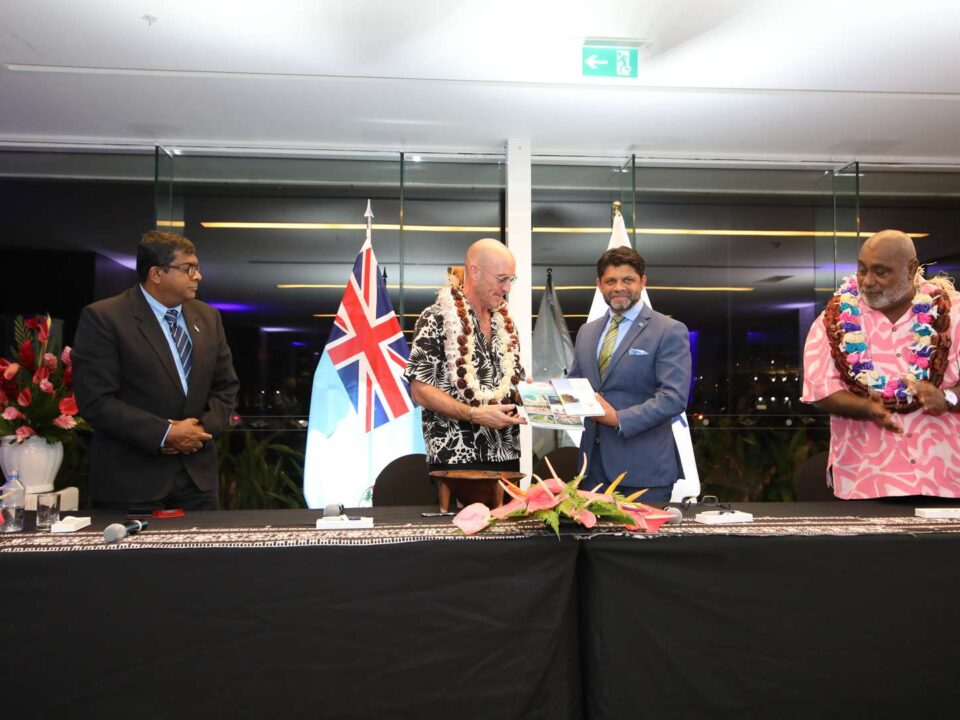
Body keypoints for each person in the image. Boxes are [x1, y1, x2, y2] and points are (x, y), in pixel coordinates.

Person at [73, 231, 239, 510]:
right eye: (188, 268)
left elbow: (226, 387)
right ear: (156, 273)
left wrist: (197, 430)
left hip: (197, 481)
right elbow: (96, 401)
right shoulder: (105, 318)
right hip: (131, 482)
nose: (198, 276)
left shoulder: (208, 317)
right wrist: (165, 433)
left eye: (197, 268)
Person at [802, 229, 960, 499]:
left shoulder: (953, 314)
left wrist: (947, 398)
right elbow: (820, 390)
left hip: (947, 479)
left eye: (881, 271)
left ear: (911, 269)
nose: (867, 281)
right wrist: (866, 408)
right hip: (865, 480)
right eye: (862, 270)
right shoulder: (834, 319)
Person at [569, 246, 691, 502]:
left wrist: (617, 419)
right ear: (599, 285)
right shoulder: (586, 332)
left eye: (628, 280)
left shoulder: (669, 330)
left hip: (645, 471)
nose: (619, 287)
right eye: (610, 281)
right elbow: (576, 386)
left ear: (642, 282)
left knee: (640, 533)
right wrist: (543, 395)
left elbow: (673, 398)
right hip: (592, 471)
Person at [405, 238, 526, 476]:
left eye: (511, 279)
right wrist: (473, 414)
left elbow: (511, 385)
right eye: (501, 278)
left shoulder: (505, 323)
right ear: (475, 271)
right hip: (455, 456)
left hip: (506, 454)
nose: (507, 288)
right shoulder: (436, 318)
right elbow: (420, 390)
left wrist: (532, 394)